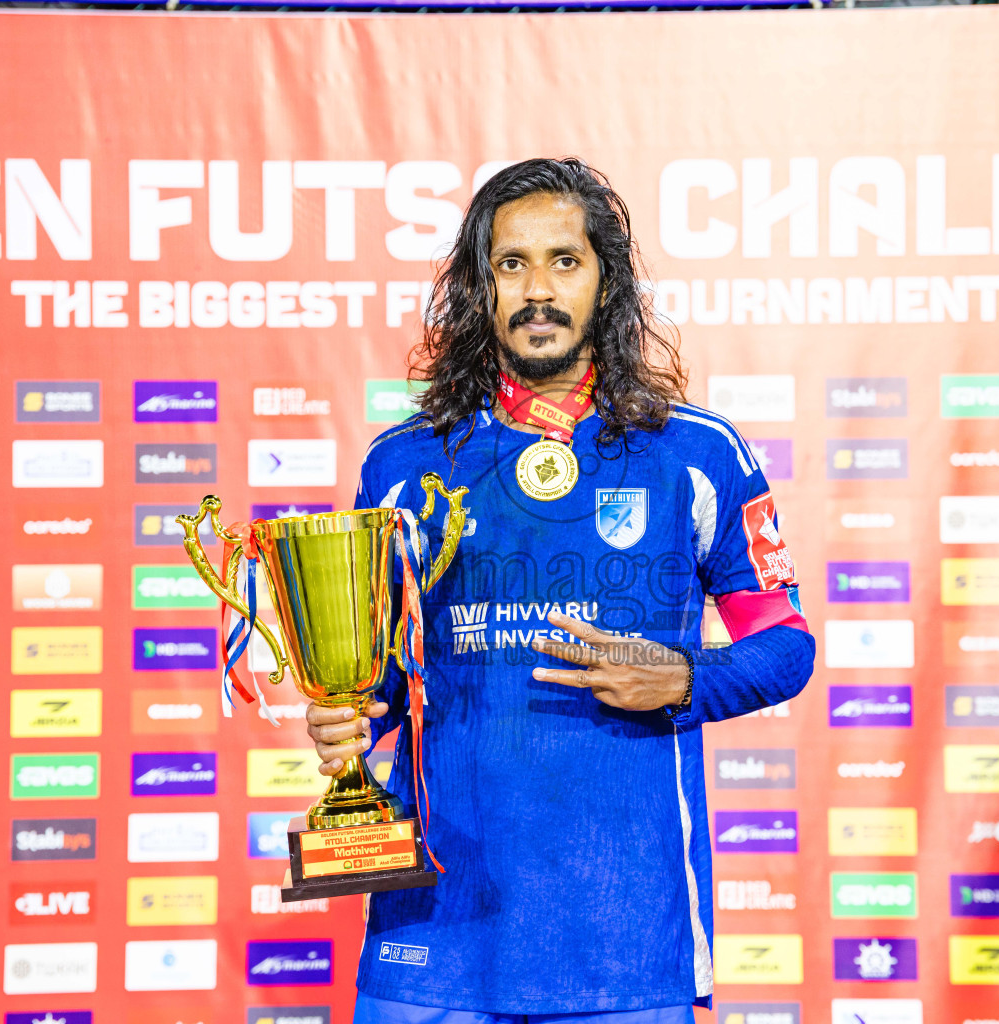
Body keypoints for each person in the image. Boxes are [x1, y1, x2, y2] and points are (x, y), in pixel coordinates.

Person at [305, 157, 814, 1024]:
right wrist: (347, 709)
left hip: (625, 936)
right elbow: (386, 678)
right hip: (435, 931)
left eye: (564, 262)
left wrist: (687, 678)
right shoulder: (404, 463)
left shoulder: (695, 453)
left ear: (605, 280)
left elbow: (786, 642)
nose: (538, 289)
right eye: (511, 265)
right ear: (480, 287)